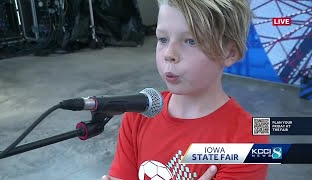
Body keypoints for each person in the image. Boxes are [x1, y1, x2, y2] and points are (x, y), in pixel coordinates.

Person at [102, 0, 269, 179]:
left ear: (229, 53)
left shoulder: (247, 138)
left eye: (191, 41)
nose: (169, 54)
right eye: (163, 39)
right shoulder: (138, 114)